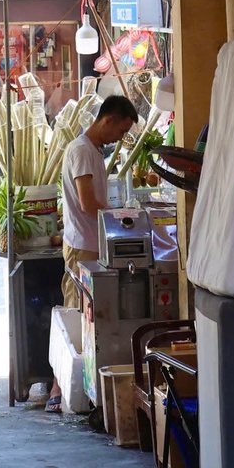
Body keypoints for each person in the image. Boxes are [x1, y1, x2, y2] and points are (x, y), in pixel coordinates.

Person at [60, 95, 140, 312]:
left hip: (92, 242)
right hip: (82, 245)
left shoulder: (92, 150)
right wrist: (122, 217)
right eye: (122, 131)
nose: (121, 138)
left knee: (92, 311)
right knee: (79, 310)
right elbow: (87, 203)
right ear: (108, 120)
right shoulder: (82, 150)